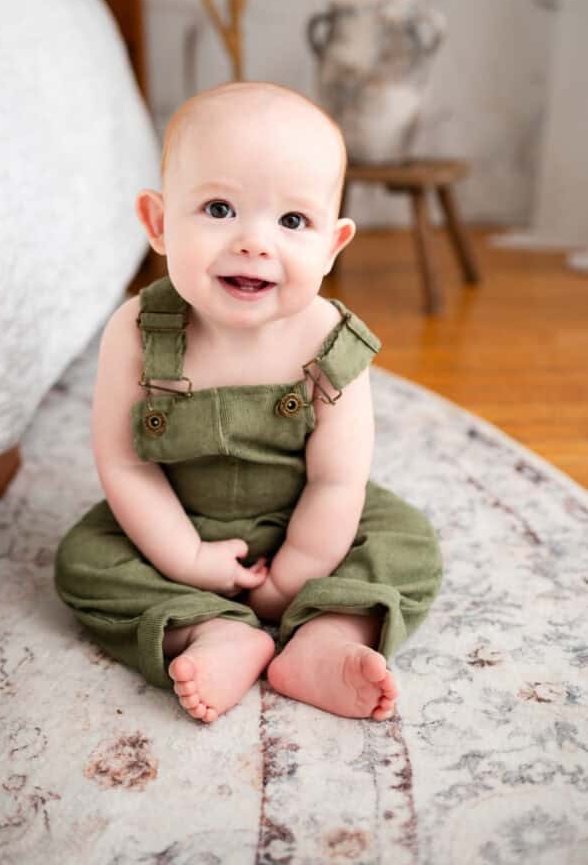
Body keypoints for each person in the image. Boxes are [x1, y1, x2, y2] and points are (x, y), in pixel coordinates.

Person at [54, 81, 442, 724]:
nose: (255, 242)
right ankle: (213, 630)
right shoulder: (136, 331)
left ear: (332, 245)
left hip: (309, 517)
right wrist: (186, 557)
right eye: (218, 208)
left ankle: (326, 635)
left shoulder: (331, 343)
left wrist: (294, 575)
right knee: (85, 561)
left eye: (293, 222)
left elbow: (336, 481)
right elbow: (127, 466)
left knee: (408, 544)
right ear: (157, 223)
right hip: (176, 514)